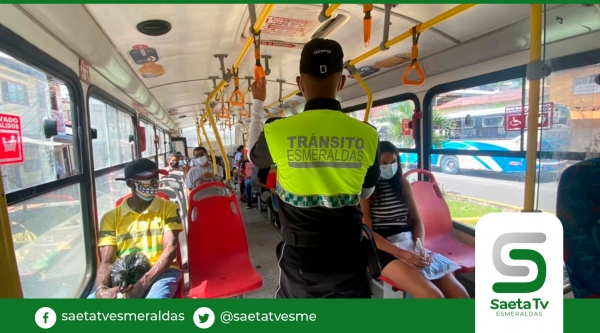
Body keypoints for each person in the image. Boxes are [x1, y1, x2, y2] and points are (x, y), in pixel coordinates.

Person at [247, 38, 380, 298]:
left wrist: (258, 102)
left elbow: (254, 157)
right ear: (341, 82)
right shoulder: (368, 135)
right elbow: (365, 194)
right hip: (349, 257)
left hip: (301, 260)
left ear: (299, 83)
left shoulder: (277, 130)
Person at [360, 141, 469, 298]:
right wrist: (403, 254)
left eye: (393, 162)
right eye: (383, 163)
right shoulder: (366, 191)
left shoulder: (403, 185)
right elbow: (367, 232)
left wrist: (419, 247)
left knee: (460, 295)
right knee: (433, 296)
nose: (388, 167)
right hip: (381, 247)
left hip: (409, 243)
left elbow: (416, 221)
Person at [88, 158, 183, 299]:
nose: (154, 182)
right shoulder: (111, 218)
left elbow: (170, 249)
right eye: (147, 178)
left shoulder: (168, 208)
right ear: (130, 183)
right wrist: (101, 289)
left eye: (155, 177)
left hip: (161, 271)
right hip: (125, 273)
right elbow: (107, 261)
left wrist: (141, 285)